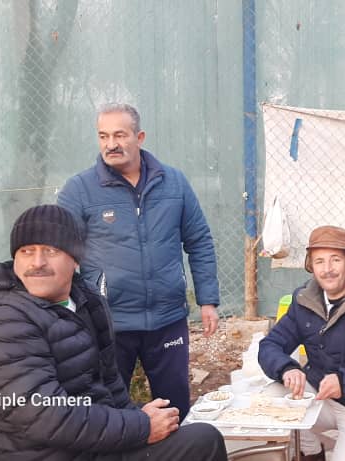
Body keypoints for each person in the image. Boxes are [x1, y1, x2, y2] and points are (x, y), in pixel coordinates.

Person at [0, 205, 227, 461]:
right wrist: (141, 427)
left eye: (50, 251)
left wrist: (138, 417)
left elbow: (110, 388)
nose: (37, 262)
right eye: (26, 251)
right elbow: (44, 416)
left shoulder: (85, 300)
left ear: (75, 259)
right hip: (46, 453)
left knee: (201, 439)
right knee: (201, 441)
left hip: (90, 448)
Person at [58, 103, 220, 418]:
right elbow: (61, 250)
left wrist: (208, 300)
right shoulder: (80, 189)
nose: (111, 144)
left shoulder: (174, 183)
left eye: (120, 135)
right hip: (109, 322)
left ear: (140, 137)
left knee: (175, 409)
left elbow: (199, 240)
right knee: (107, 411)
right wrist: (70, 309)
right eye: (103, 136)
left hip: (168, 319)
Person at [258, 225, 345, 461]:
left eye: (335, 260)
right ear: (310, 265)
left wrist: (344, 381)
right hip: (320, 395)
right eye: (319, 261)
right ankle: (311, 451)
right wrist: (287, 368)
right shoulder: (304, 299)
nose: (328, 269)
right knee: (269, 399)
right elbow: (269, 345)